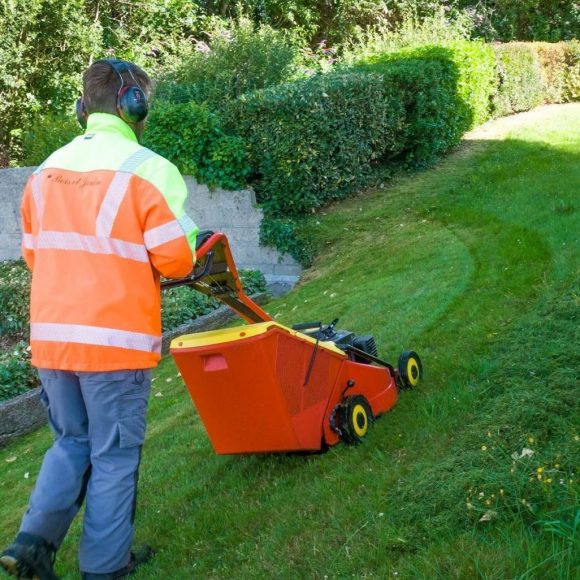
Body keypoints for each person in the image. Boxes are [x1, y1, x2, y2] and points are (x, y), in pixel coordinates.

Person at [0, 59, 198, 579]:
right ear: (136, 104)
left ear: (83, 107)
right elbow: (177, 259)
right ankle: (106, 568)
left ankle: (31, 544)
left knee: (72, 442)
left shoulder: (44, 173)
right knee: (113, 457)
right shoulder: (148, 170)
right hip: (113, 345)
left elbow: (37, 256)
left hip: (52, 344)